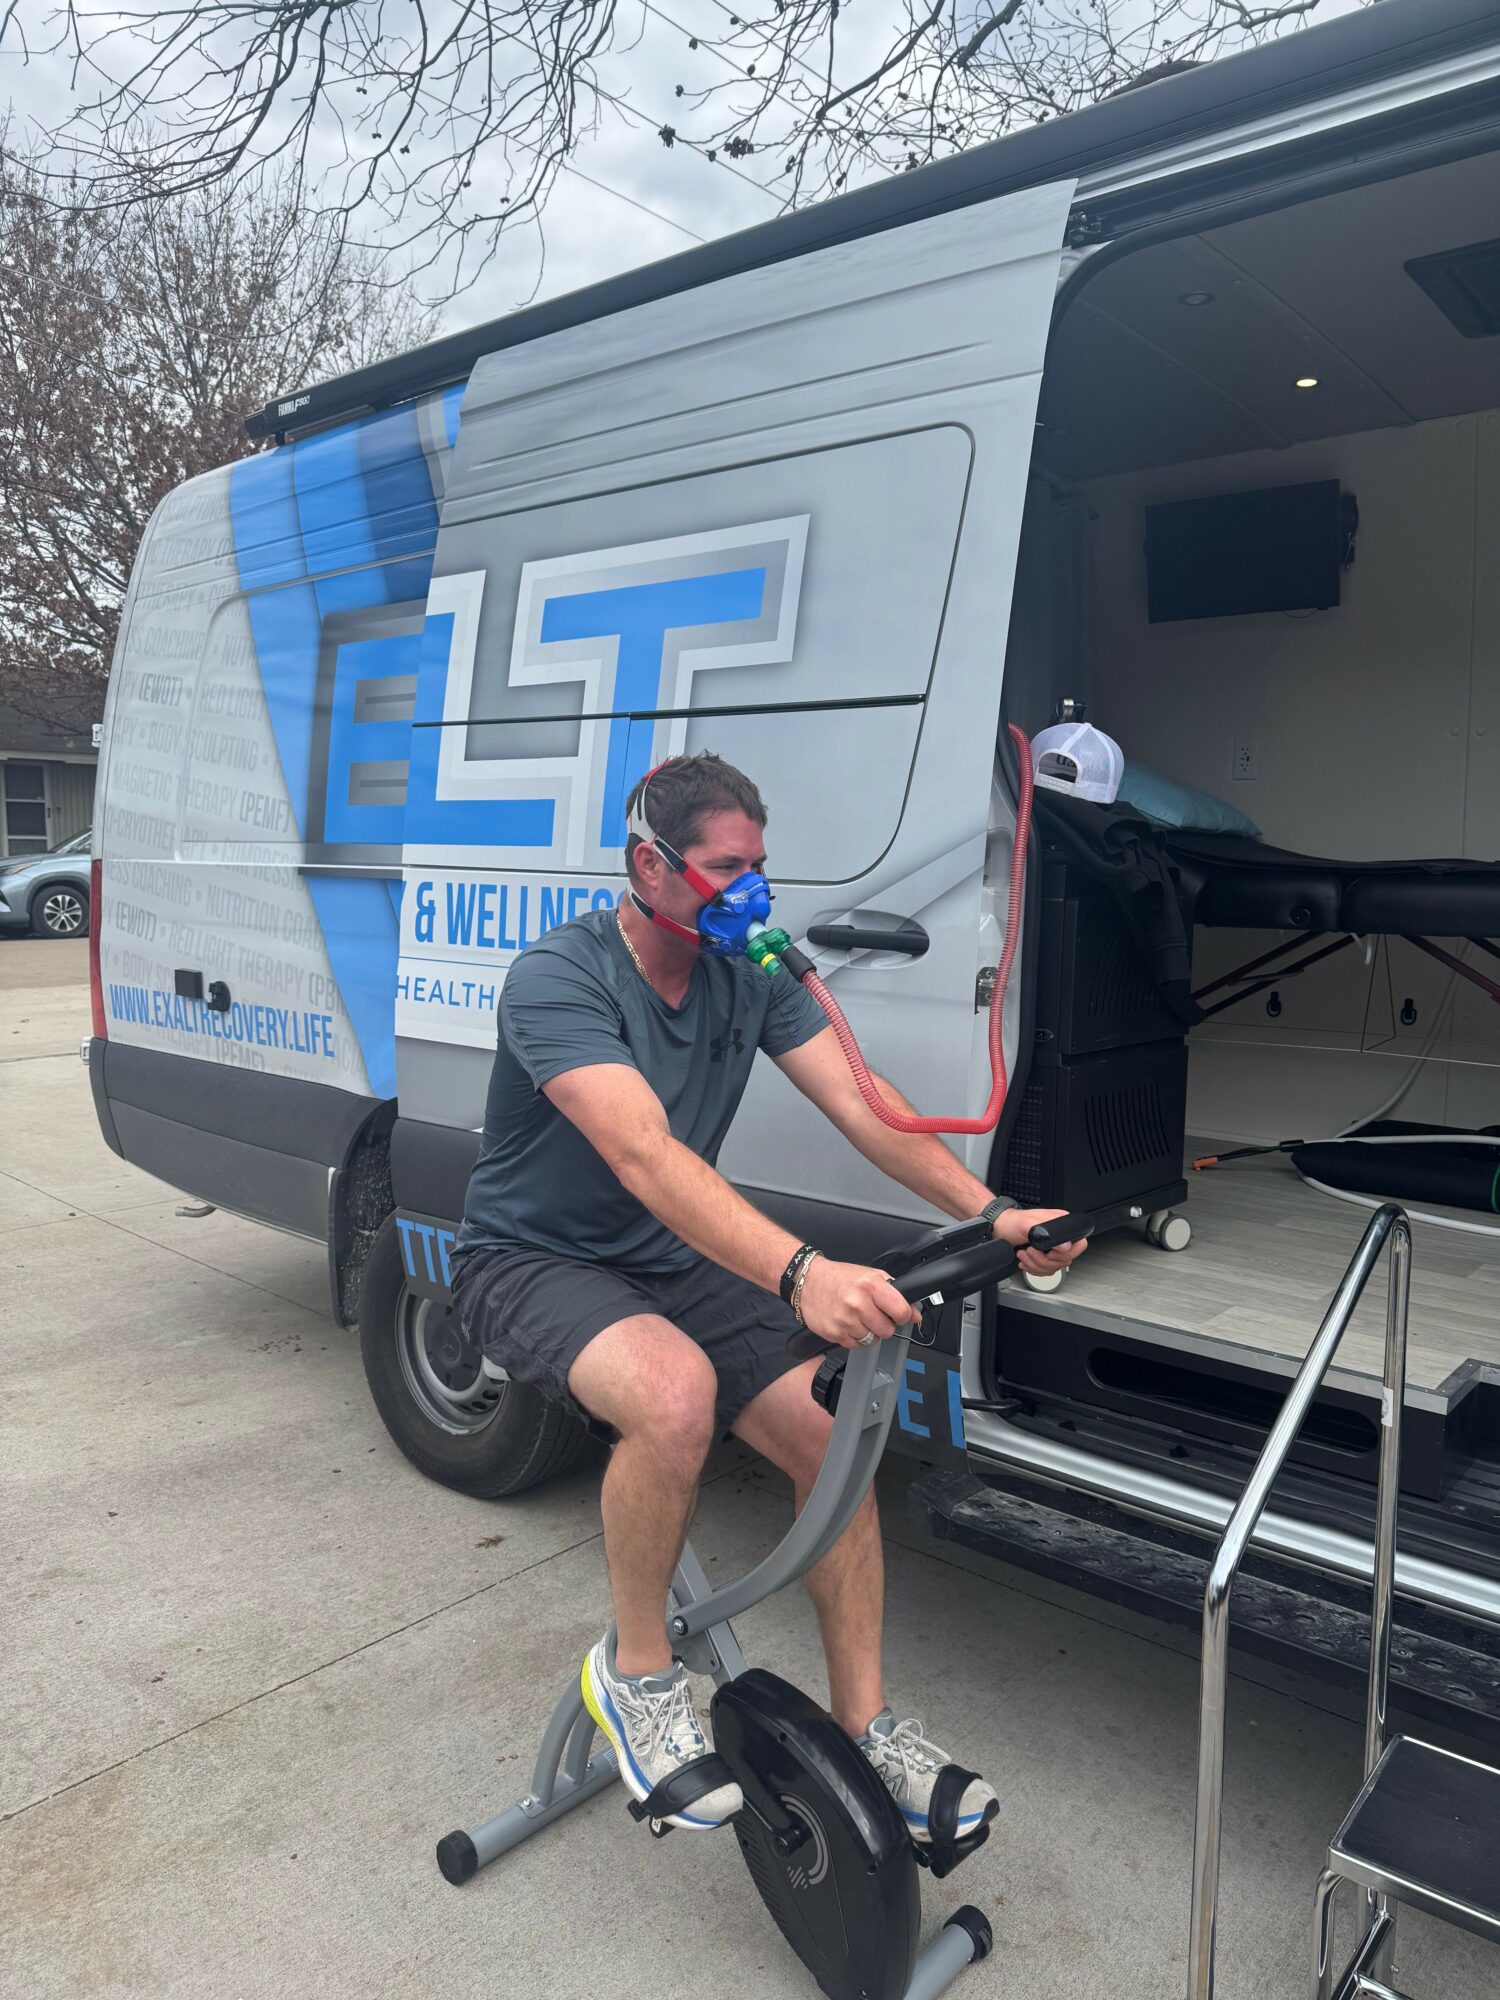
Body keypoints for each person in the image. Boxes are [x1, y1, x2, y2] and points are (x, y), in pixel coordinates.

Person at [451, 752, 1085, 1838]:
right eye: (723, 866)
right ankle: (639, 1673)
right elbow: (645, 1153)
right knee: (673, 1391)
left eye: (760, 865)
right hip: (531, 1256)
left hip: (663, 1252)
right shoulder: (559, 976)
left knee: (831, 1436)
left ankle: (869, 1725)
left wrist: (992, 1211)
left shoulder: (749, 969)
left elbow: (866, 1104)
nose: (751, 891)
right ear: (650, 865)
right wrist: (801, 1270)